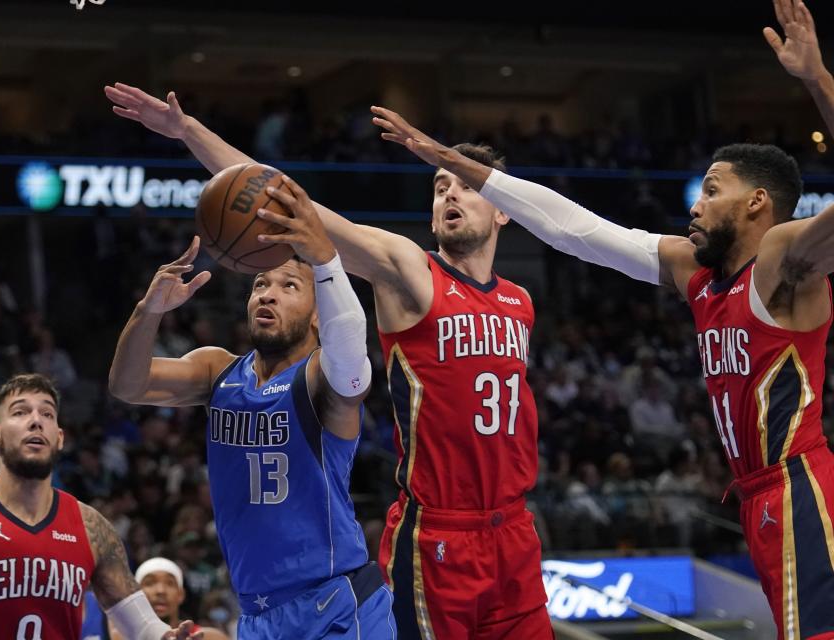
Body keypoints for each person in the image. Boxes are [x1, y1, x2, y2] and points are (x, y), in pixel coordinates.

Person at [369, 1, 834, 636]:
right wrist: (453, 161)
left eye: (713, 190)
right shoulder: (691, 272)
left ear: (757, 204)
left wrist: (816, 79)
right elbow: (575, 230)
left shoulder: (784, 258)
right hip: (753, 493)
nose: (696, 204)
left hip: (800, 482)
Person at [105, 82, 552, 640]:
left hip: (513, 525)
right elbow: (284, 199)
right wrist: (187, 131)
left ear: (504, 209)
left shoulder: (521, 302)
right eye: (440, 187)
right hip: (438, 528)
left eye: (465, 186)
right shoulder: (409, 269)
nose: (449, 197)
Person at [108, 178, 395, 639]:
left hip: (335, 603)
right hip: (259, 614)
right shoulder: (216, 370)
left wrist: (325, 261)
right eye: (260, 283)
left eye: (288, 285)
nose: (267, 293)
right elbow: (127, 384)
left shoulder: (320, 376)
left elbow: (352, 369)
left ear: (319, 311)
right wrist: (148, 311)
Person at [0, 373, 198, 640]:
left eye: (46, 413)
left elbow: (142, 626)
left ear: (59, 437)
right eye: (20, 412)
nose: (35, 422)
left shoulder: (92, 527)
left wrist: (167, 638)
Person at [89, 557, 227, 640]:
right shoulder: (122, 635)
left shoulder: (210, 637)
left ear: (181, 595)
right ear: (136, 594)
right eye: (149, 583)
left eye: (170, 583)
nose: (160, 591)